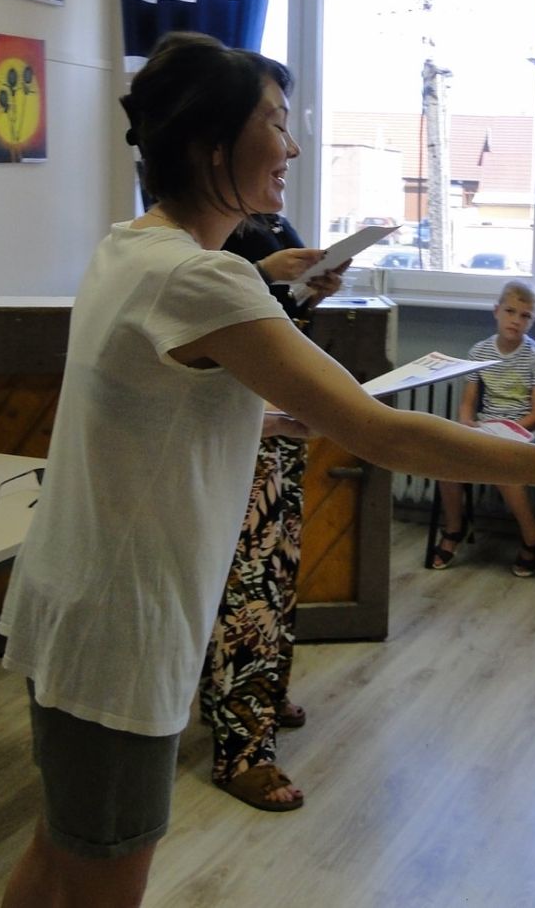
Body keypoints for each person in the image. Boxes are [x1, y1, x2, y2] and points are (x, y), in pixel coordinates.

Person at [0, 31, 535, 908]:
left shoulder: (130, 247)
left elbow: (159, 403)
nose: (292, 147)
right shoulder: (205, 281)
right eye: (276, 123)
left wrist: (272, 413)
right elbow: (380, 433)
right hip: (123, 626)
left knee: (63, 849)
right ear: (213, 146)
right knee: (100, 878)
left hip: (71, 600)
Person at [198, 213, 344, 812]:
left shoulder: (272, 219)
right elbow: (202, 311)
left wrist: (308, 291)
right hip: (238, 429)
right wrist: (261, 273)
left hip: (278, 420)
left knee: (277, 577)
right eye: (275, 169)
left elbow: (275, 322)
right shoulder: (201, 224)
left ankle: (260, 696)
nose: (284, 166)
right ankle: (242, 752)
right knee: (248, 593)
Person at [428, 280, 535, 577]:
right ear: (496, 311)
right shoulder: (479, 351)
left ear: (533, 321)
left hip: (524, 431)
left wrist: (506, 429)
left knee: (503, 469)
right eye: (510, 311)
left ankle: (534, 535)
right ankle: (455, 527)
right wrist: (466, 424)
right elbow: (468, 403)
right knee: (443, 462)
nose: (516, 320)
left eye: (525, 316)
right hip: (488, 428)